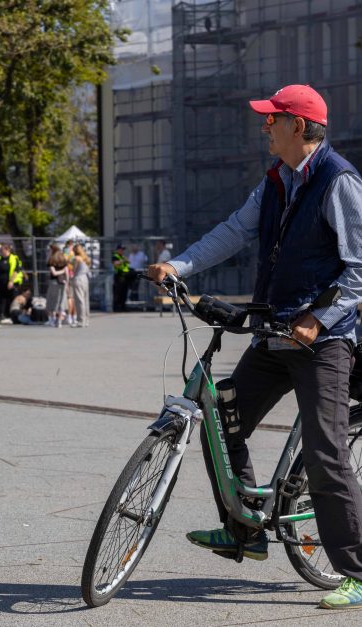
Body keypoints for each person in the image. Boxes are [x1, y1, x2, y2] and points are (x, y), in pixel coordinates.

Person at [147, 84, 362, 610]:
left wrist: (319, 319)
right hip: (274, 331)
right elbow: (232, 232)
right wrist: (180, 265)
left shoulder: (339, 181)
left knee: (325, 453)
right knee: (220, 416)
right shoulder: (275, 182)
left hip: (325, 339)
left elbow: (359, 270)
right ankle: (245, 529)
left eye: (272, 119)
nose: (264, 127)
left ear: (298, 125)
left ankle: (356, 573)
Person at [46, 245, 69, 327]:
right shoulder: (64, 260)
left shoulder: (51, 261)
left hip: (53, 282)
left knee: (52, 300)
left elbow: (54, 273)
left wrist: (60, 271)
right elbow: (67, 273)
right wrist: (67, 283)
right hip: (62, 282)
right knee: (61, 301)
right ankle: (59, 321)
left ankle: (52, 320)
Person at [70, 244, 91, 328]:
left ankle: (80, 321)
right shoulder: (87, 258)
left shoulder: (77, 258)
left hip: (78, 278)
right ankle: (86, 320)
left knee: (79, 300)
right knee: (85, 300)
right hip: (85, 278)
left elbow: (74, 269)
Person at [111, 244, 130, 312]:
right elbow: (115, 264)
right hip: (118, 276)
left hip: (125, 276)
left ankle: (123, 306)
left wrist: (127, 261)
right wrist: (123, 260)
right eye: (121, 249)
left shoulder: (123, 256)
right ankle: (116, 307)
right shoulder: (115, 256)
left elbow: (127, 264)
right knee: (117, 293)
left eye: (123, 249)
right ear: (118, 250)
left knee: (124, 292)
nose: (122, 251)